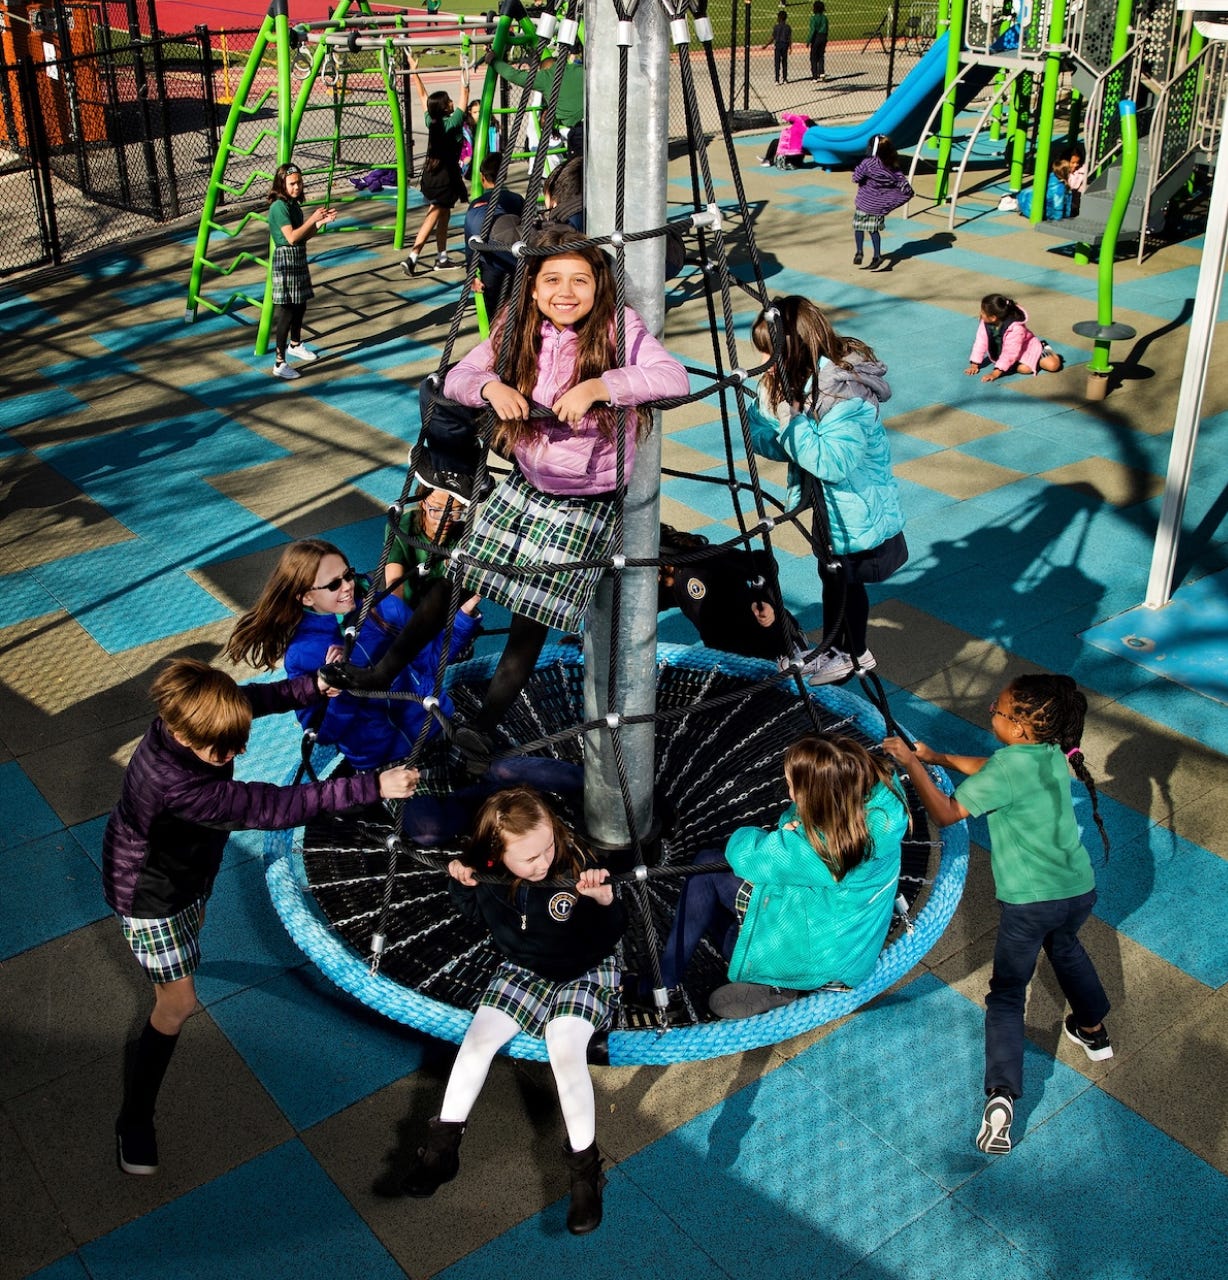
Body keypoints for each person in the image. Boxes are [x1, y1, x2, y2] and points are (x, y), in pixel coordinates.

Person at [322, 224, 690, 776]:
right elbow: (459, 376)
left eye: (580, 280)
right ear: (534, 288)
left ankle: (484, 726)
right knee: (454, 577)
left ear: (600, 286)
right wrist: (493, 388)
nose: (565, 292)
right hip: (523, 484)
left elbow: (673, 377)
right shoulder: (518, 327)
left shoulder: (618, 327)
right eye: (552, 280)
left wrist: (599, 387)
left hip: (585, 499)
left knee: (530, 617)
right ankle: (382, 671)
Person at [105, 658, 418, 1176]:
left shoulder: (193, 715)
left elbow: (253, 700)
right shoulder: (177, 785)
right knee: (177, 1003)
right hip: (149, 896)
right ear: (183, 735)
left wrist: (312, 685)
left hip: (186, 867)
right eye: (223, 750)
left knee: (192, 939)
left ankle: (181, 963)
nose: (237, 753)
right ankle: (135, 1116)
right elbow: (273, 806)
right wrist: (373, 787)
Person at [882, 673, 1112, 1155]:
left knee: (1007, 993)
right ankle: (1093, 1030)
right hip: (1077, 891)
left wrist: (910, 764)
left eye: (1000, 709)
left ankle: (1002, 1096)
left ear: (1023, 728)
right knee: (1067, 948)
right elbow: (992, 769)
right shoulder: (1052, 753)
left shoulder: (1008, 769)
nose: (991, 709)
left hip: (1029, 904)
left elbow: (946, 812)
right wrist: (940, 757)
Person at [397, 787, 625, 1234]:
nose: (542, 863)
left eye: (547, 848)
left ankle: (584, 1173)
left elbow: (613, 931)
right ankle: (442, 1148)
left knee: (564, 1048)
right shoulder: (489, 873)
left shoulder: (575, 862)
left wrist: (603, 901)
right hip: (523, 968)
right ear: (498, 856)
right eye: (529, 859)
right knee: (478, 1040)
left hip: (586, 967)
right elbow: (476, 915)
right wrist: (461, 883)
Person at [651, 735, 909, 1019]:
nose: (789, 795)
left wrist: (782, 832)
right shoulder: (883, 800)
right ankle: (768, 974)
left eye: (793, 787)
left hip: (816, 960)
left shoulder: (823, 847)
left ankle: (664, 985)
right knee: (718, 891)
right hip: (850, 951)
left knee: (708, 867)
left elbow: (746, 854)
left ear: (823, 793)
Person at [748, 295, 906, 685]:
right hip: (830, 507)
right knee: (832, 575)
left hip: (856, 508)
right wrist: (772, 411)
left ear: (797, 350)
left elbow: (832, 463)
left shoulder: (846, 395)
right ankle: (847, 650)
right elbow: (767, 442)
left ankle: (850, 653)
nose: (768, 363)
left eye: (772, 354)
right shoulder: (797, 383)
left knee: (842, 577)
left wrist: (791, 419)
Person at [224, 539, 479, 773]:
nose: (348, 587)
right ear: (306, 596)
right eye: (334, 584)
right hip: (385, 761)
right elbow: (323, 732)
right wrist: (343, 688)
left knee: (497, 779)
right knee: (435, 821)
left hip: (436, 725)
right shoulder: (304, 652)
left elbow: (428, 663)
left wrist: (462, 620)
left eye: (348, 575)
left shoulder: (383, 607)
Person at [658, 524, 799, 664]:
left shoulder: (702, 561)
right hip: (732, 657)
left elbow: (764, 562)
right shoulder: (666, 587)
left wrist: (763, 598)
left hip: (774, 644)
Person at [400, 53, 469, 277]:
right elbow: (465, 93)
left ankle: (441, 257)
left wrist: (414, 71)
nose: (452, 102)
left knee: (444, 215)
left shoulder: (433, 120)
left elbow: (422, 95)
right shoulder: (453, 122)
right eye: (448, 101)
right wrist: (463, 66)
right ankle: (413, 256)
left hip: (431, 175)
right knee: (434, 213)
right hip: (445, 177)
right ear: (446, 108)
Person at [267, 162, 335, 381]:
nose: (297, 187)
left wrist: (319, 223)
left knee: (301, 304)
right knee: (286, 311)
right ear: (282, 184)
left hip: (297, 257)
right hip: (286, 261)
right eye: (292, 183)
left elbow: (303, 236)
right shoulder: (279, 207)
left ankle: (295, 344)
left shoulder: (293, 204)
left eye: (299, 182)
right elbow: (291, 237)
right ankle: (279, 362)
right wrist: (313, 219)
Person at [464, 152, 525, 315]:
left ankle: (497, 337)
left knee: (495, 314)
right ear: (504, 175)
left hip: (490, 264)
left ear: (482, 177)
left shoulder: (476, 205)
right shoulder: (515, 199)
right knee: (519, 309)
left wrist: (471, 274)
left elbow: (470, 243)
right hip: (515, 262)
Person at [386, 489, 468, 608]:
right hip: (407, 603)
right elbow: (394, 579)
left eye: (456, 510)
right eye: (437, 508)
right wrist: (395, 609)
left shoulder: (463, 534)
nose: (445, 518)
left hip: (442, 606)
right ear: (422, 503)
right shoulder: (402, 527)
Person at [965, 293, 1062, 382]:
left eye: (983, 312)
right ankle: (1019, 363)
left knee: (1053, 365)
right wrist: (974, 364)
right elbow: (980, 342)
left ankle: (1044, 348)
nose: (980, 314)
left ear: (993, 317)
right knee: (1024, 369)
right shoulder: (985, 322)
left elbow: (1010, 352)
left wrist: (995, 373)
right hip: (1014, 353)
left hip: (1027, 348)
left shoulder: (1015, 328)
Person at [851, 134, 913, 269]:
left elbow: (855, 178)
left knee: (858, 227)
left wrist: (859, 169)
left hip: (864, 202)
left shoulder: (867, 164)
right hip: (878, 205)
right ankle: (877, 255)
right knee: (874, 231)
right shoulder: (892, 164)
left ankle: (859, 252)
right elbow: (902, 182)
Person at [488, 50, 585, 131]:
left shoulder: (546, 77)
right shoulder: (579, 69)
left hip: (574, 127)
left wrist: (494, 61)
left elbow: (514, 75)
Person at [1017, 155, 1072, 222]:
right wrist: (1059, 220)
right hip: (1045, 212)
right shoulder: (1059, 188)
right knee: (1026, 195)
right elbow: (1058, 206)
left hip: (1032, 206)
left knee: (1025, 193)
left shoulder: (1050, 178)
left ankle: (1019, 204)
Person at [460, 98, 500, 181]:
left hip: (487, 160)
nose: (478, 115)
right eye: (475, 112)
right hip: (471, 163)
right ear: (470, 112)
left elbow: (495, 144)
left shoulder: (491, 125)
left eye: (480, 112)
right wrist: (465, 158)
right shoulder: (466, 128)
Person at [764, 10, 794, 84]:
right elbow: (789, 38)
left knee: (777, 62)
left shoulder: (776, 27)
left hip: (778, 45)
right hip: (785, 45)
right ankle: (785, 78)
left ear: (779, 18)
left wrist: (766, 45)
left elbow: (773, 37)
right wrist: (790, 47)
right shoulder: (788, 27)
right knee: (784, 62)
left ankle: (777, 79)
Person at [1062, 142, 1087, 216]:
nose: (1075, 165)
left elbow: (1078, 188)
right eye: (1072, 163)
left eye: (1077, 162)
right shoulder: (1062, 172)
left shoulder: (1081, 171)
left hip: (1075, 198)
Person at [808, 2, 829, 81]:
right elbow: (826, 29)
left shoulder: (813, 18)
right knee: (821, 56)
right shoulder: (824, 18)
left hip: (816, 37)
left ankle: (814, 76)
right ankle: (822, 72)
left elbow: (812, 30)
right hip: (823, 37)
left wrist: (809, 40)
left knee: (813, 57)